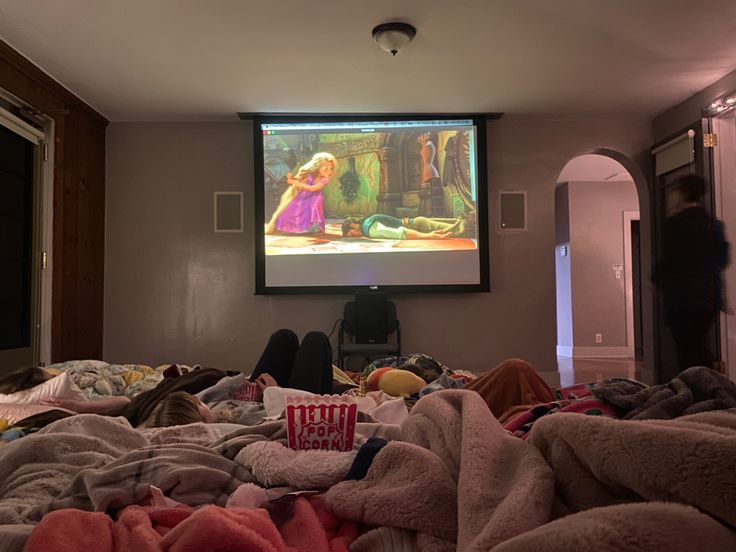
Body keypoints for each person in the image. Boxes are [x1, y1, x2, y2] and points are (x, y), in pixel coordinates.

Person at [654, 174, 731, 376]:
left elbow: (670, 262)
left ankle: (697, 395)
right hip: (708, 297)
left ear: (683, 193)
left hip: (681, 298)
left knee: (687, 351)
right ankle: (712, 385)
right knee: (699, 345)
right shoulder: (713, 224)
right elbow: (722, 259)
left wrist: (657, 277)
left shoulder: (672, 226)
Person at [265, 152, 337, 235]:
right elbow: (299, 179)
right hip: (301, 196)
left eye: (331, 168)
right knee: (289, 210)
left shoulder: (324, 180)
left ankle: (313, 228)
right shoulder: (309, 173)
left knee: (312, 210)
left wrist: (295, 182)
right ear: (318, 166)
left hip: (314, 198)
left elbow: (312, 188)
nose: (329, 171)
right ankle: (290, 228)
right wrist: (292, 178)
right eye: (325, 168)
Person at [249, 329, 333, 395]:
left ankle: (250, 394)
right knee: (316, 339)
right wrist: (274, 393)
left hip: (250, 402)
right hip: (292, 410)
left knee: (284, 336)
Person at [341, 214, 462, 240]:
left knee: (460, 229)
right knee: (457, 223)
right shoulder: (368, 221)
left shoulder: (370, 229)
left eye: (351, 234)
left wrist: (428, 236)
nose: (354, 237)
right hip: (417, 222)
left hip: (418, 226)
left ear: (353, 225)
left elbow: (401, 233)